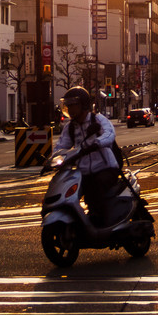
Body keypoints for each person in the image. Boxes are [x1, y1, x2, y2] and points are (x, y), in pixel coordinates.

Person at [52, 86, 121, 226]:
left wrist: (98, 142)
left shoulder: (97, 120)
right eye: (68, 106)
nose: (70, 109)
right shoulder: (70, 127)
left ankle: (99, 218)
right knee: (67, 186)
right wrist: (53, 159)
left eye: (73, 105)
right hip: (83, 171)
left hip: (105, 168)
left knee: (95, 185)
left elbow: (109, 134)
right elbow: (60, 146)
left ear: (83, 105)